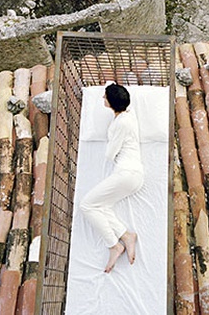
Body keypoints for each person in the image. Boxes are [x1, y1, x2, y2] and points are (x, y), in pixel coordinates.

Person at [80, 82, 143, 273]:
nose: (102, 99)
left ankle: (113, 245)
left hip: (127, 173)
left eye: (105, 97)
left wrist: (110, 141)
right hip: (132, 175)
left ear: (112, 102)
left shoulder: (121, 123)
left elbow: (110, 154)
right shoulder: (126, 116)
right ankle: (126, 235)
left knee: (86, 205)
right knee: (102, 206)